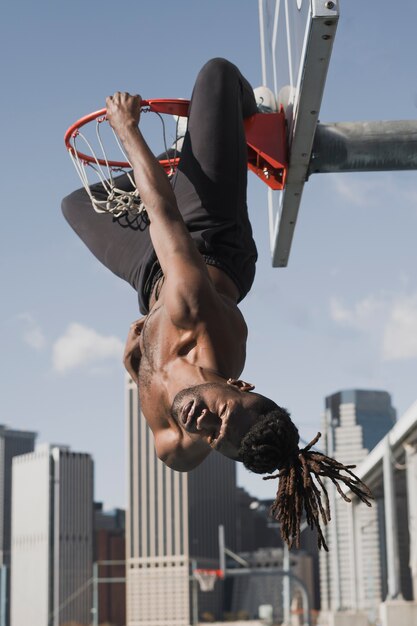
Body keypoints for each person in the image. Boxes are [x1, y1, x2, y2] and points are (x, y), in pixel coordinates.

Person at [62, 58, 371, 549]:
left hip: (150, 277)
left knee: (76, 205)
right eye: (221, 411)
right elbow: (163, 213)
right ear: (238, 384)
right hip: (211, 242)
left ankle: (186, 159)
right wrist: (126, 129)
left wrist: (131, 366)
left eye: (213, 435)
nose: (203, 421)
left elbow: (154, 384)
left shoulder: (175, 447)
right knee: (217, 76)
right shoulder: (195, 314)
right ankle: (251, 115)